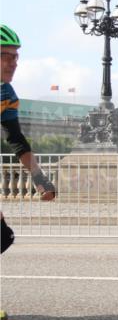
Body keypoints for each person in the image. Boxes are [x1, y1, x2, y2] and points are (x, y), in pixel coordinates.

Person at [1, 24, 57, 255]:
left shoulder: (7, 94)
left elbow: (15, 139)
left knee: (3, 237)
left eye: (16, 56)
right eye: (6, 56)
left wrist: (39, 177)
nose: (14, 63)